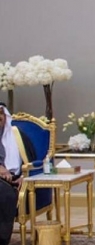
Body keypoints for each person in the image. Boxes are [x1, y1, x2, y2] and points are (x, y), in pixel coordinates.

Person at [0, 103, 35, 245]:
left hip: (13, 181)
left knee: (4, 193)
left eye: (1, 114)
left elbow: (32, 160)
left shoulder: (17, 135)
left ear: (5, 117)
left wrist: (24, 177)